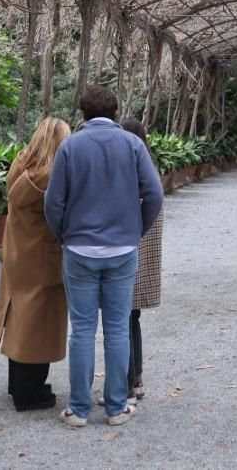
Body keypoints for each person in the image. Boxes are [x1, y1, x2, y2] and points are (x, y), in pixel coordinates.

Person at [45, 85, 163, 428]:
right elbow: (154, 194)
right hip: (122, 250)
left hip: (79, 249)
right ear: (115, 113)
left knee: (81, 329)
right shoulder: (133, 145)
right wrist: (135, 231)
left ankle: (79, 409)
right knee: (116, 328)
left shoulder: (70, 146)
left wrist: (65, 235)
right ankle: (115, 408)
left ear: (82, 114)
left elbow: (53, 202)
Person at [0, 117, 71, 411]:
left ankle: (18, 385)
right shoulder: (49, 178)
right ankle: (29, 392)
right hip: (41, 256)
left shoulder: (20, 166)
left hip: (17, 253)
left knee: (19, 319)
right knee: (39, 324)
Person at [119, 117, 162, 403]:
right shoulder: (148, 167)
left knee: (121, 319)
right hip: (144, 255)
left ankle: (126, 388)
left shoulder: (131, 170)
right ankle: (137, 379)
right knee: (131, 318)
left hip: (129, 253)